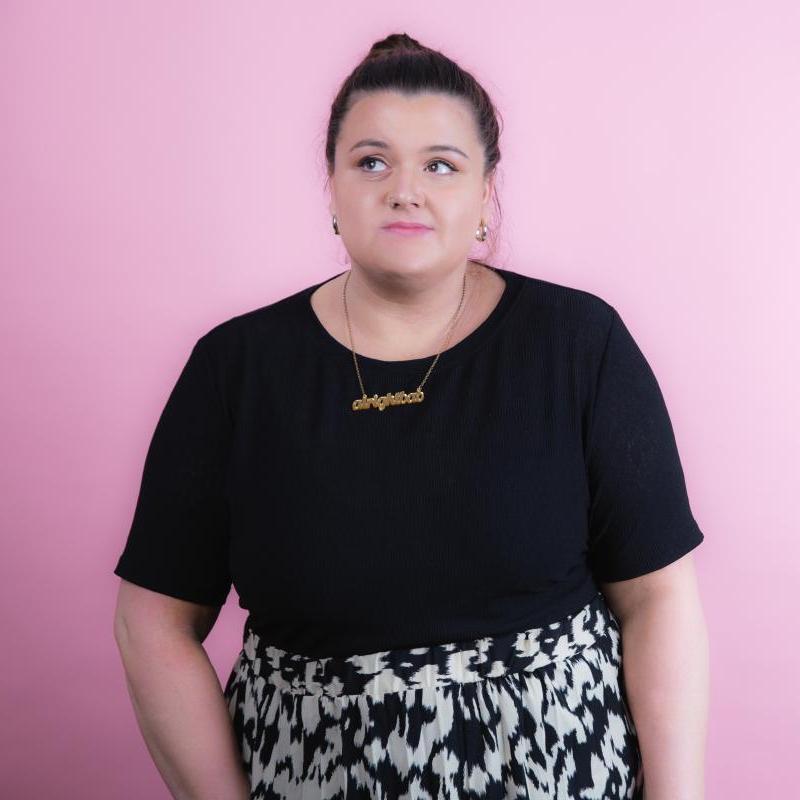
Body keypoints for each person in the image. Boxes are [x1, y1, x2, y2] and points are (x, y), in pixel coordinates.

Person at [112, 32, 708, 800]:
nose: (405, 189)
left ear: (487, 194)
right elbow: (152, 622)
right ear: (330, 188)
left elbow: (659, 597)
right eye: (371, 161)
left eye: (440, 165)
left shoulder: (577, 344)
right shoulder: (237, 368)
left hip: (561, 776)